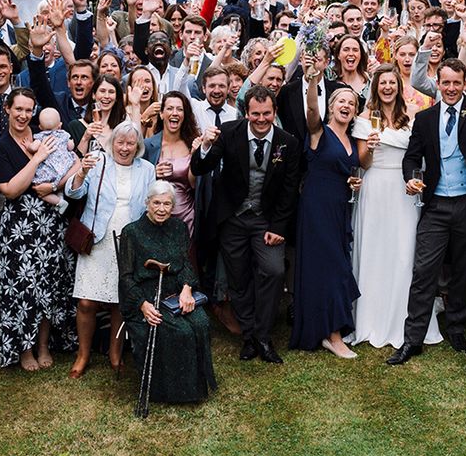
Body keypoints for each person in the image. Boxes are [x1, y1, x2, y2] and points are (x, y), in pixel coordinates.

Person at [388, 58, 466, 365]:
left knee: (463, 270)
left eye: (457, 83)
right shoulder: (425, 118)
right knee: (424, 271)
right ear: (438, 84)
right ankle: (413, 339)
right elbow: (412, 157)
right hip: (436, 205)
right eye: (446, 83)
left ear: (464, 83)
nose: (451, 88)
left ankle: (456, 327)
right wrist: (411, 178)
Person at [191, 85, 301, 364]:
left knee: (274, 271)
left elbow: (289, 190)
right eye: (255, 114)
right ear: (246, 113)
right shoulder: (229, 132)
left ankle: (262, 335)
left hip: (266, 220)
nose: (261, 119)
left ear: (275, 112)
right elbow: (201, 168)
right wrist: (205, 145)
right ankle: (250, 336)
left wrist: (278, 228)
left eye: (266, 113)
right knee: (238, 279)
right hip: (233, 218)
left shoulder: (288, 142)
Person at [349, 64, 442, 349]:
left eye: (392, 83)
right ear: (375, 87)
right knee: (375, 250)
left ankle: (407, 319)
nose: (387, 87)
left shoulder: (412, 115)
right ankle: (372, 320)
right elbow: (363, 162)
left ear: (399, 87)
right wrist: (370, 149)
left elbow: (420, 153)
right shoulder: (364, 118)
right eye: (383, 83)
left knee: (405, 252)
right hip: (375, 186)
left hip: (404, 189)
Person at [0, 87, 78, 370]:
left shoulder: (46, 136)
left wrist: (53, 186)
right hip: (20, 227)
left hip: (51, 223)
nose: (23, 115)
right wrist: (37, 159)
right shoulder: (1, 147)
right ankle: (24, 349)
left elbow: (75, 165)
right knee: (23, 288)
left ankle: (43, 345)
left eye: (29, 110)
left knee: (48, 285)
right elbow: (11, 190)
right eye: (18, 109)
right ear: (7, 109)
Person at [65, 120, 155, 378]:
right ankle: (82, 355)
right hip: (98, 239)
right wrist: (81, 172)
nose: (124, 148)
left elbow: (149, 205)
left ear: (137, 146)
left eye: (130, 143)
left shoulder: (147, 169)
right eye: (120, 142)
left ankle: (115, 354)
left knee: (120, 301)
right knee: (86, 302)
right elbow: (73, 194)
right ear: (112, 142)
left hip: (128, 242)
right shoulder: (98, 161)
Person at [118, 181, 217, 404]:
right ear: (147, 203)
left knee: (201, 322)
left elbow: (186, 263)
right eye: (157, 203)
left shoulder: (179, 227)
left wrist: (187, 289)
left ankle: (196, 387)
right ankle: (174, 392)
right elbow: (125, 277)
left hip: (176, 291)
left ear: (173, 206)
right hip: (145, 294)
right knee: (182, 331)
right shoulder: (132, 232)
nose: (162, 209)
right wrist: (142, 305)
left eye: (167, 204)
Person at [290, 66, 362, 357]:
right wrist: (312, 80)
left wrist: (352, 181)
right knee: (333, 268)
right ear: (331, 107)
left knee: (333, 266)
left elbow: (347, 168)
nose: (346, 106)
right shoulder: (319, 132)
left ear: (355, 111)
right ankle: (334, 336)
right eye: (341, 101)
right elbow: (310, 110)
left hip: (340, 207)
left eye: (351, 103)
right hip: (316, 208)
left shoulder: (352, 140)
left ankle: (324, 330)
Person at [144, 91, 199, 237]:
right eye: (169, 108)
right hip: (156, 215)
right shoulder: (149, 145)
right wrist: (153, 173)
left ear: (185, 115)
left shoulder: (193, 144)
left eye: (179, 109)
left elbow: (195, 185)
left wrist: (195, 157)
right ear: (161, 114)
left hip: (186, 214)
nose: (175, 113)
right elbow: (139, 182)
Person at [31, 107, 78, 215]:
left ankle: (59, 202)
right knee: (59, 185)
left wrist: (28, 145)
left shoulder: (41, 136)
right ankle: (60, 196)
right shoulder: (64, 134)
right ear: (60, 125)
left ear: (40, 127)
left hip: (49, 170)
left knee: (40, 190)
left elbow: (33, 148)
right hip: (64, 168)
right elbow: (70, 146)